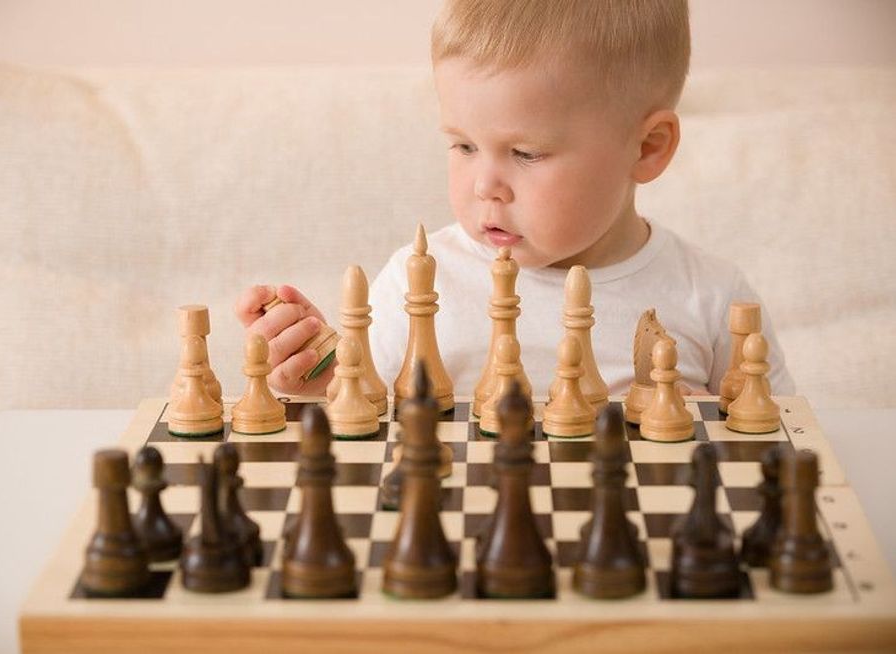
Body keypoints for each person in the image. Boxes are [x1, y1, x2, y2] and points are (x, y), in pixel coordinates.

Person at [235, 0, 795, 399]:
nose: (484, 185)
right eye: (463, 145)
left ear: (647, 149)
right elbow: (367, 411)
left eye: (525, 153)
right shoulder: (418, 281)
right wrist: (325, 374)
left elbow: (780, 445)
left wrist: (708, 427)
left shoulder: (714, 299)